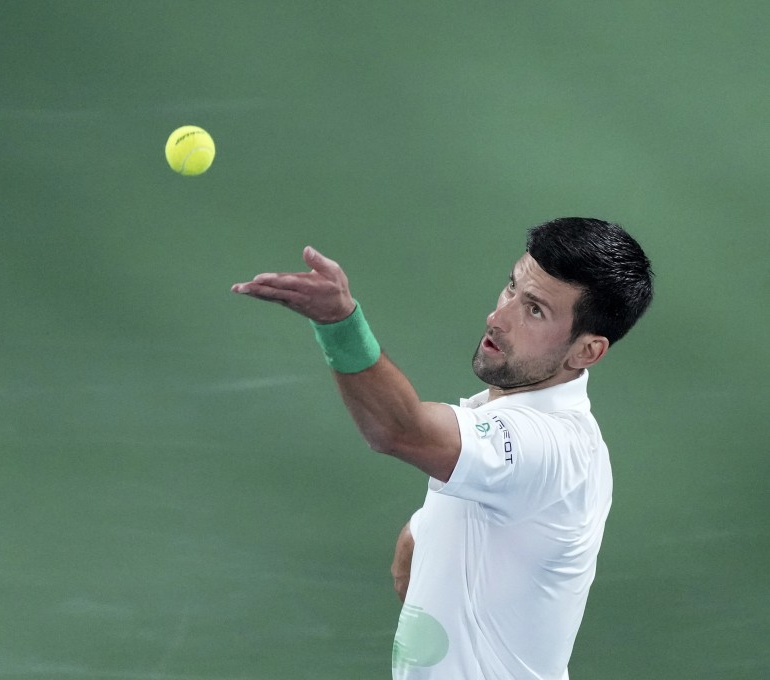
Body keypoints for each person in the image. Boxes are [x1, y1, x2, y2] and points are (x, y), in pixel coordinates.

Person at [231, 217, 654, 680]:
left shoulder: (557, 447)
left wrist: (340, 324)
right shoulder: (498, 422)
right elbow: (421, 550)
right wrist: (420, 533)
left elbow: (399, 430)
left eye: (535, 311)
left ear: (587, 352)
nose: (498, 317)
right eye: (511, 288)